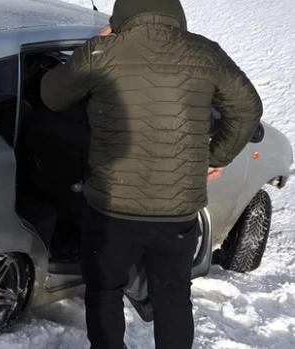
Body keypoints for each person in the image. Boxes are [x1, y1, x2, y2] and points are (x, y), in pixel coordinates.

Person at [40, 0, 263, 348]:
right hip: (177, 214)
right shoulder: (205, 52)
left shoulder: (102, 52)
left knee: (104, 292)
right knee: (173, 297)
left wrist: (95, 44)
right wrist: (215, 156)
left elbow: (51, 96)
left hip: (112, 209)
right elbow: (248, 109)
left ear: (121, 15)